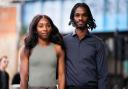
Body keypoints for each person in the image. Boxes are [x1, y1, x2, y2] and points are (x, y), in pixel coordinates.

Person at [64, 3, 108, 89]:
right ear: (73, 18)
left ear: (88, 18)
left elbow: (103, 75)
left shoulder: (98, 43)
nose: (80, 18)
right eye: (77, 15)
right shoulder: (65, 41)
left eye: (84, 15)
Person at [20, 15, 65, 89]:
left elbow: (61, 76)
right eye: (40, 26)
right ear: (35, 29)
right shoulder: (26, 49)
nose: (45, 29)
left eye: (48, 26)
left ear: (51, 28)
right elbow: (24, 77)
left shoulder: (58, 49)